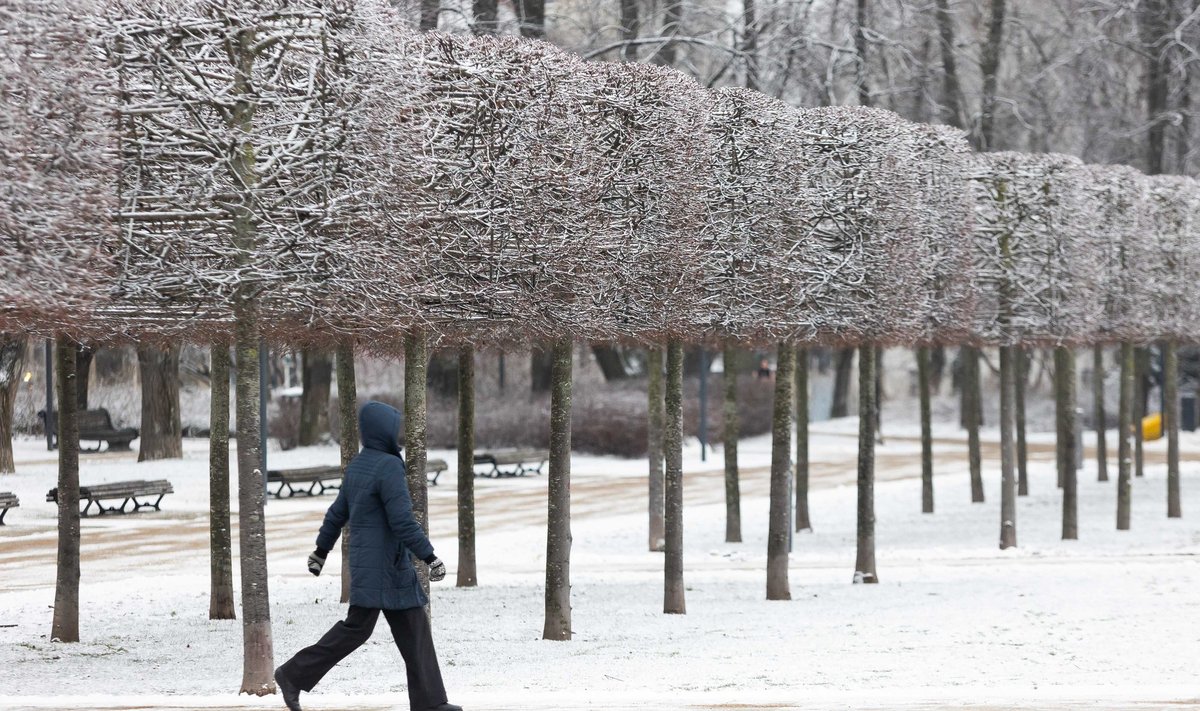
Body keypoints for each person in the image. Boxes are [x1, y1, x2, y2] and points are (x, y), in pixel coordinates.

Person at [274, 401, 461, 711]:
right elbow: (402, 521)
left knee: (414, 631)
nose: (397, 435)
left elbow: (336, 514)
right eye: (394, 429)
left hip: (380, 567)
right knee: (358, 629)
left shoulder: (360, 465)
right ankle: (292, 674)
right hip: (384, 568)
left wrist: (321, 551)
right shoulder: (387, 467)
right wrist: (430, 557)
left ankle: (431, 704)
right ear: (383, 432)